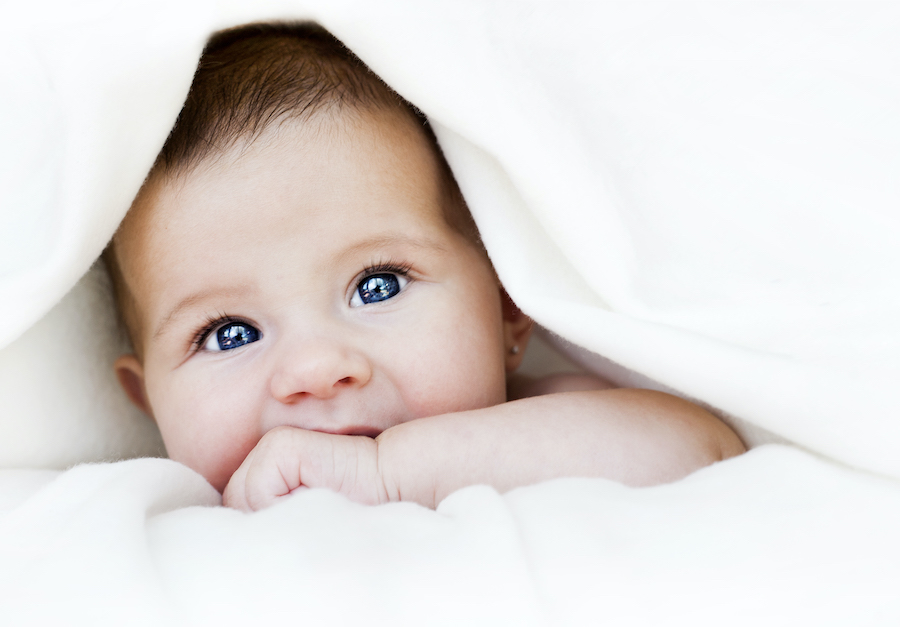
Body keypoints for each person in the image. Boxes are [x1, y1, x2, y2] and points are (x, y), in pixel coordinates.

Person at [104, 22, 744, 512]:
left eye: (377, 286)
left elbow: (702, 452)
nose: (317, 371)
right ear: (148, 400)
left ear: (507, 311)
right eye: (229, 333)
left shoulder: (540, 437)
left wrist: (385, 475)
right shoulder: (162, 516)